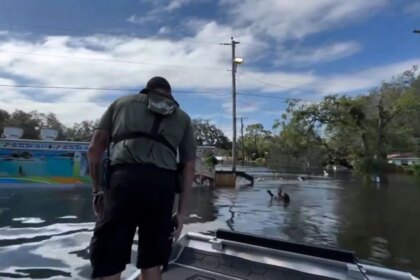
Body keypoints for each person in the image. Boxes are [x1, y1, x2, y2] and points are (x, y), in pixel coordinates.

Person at [87, 76, 196, 280]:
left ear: (146, 91)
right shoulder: (182, 117)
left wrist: (97, 191)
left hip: (123, 183)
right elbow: (189, 166)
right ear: (169, 94)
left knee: (109, 255)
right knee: (153, 258)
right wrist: (181, 213)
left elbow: (94, 150)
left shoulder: (121, 103)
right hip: (162, 187)